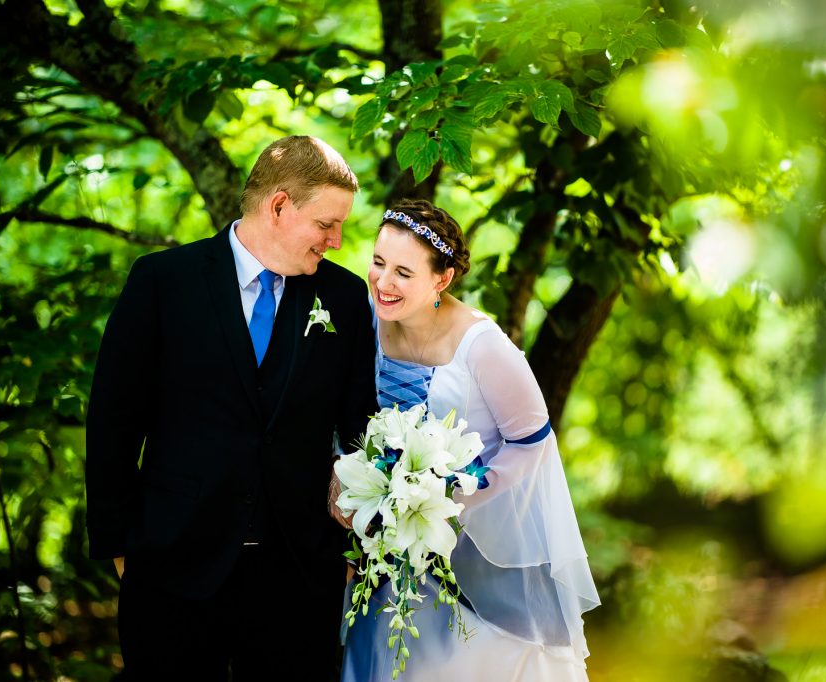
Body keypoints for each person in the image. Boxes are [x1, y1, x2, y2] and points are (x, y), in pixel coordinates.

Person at [85, 135, 378, 680]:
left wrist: (353, 539)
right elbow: (114, 422)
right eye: (326, 224)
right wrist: (120, 544)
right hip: (173, 561)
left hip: (299, 573)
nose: (336, 241)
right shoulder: (162, 282)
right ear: (280, 205)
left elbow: (362, 425)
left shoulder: (342, 298)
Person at [337, 199, 601, 681]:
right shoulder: (368, 324)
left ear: (442, 279)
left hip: (475, 550)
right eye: (377, 263)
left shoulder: (484, 346)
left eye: (402, 272)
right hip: (391, 547)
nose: (383, 282)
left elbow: (533, 440)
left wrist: (458, 494)